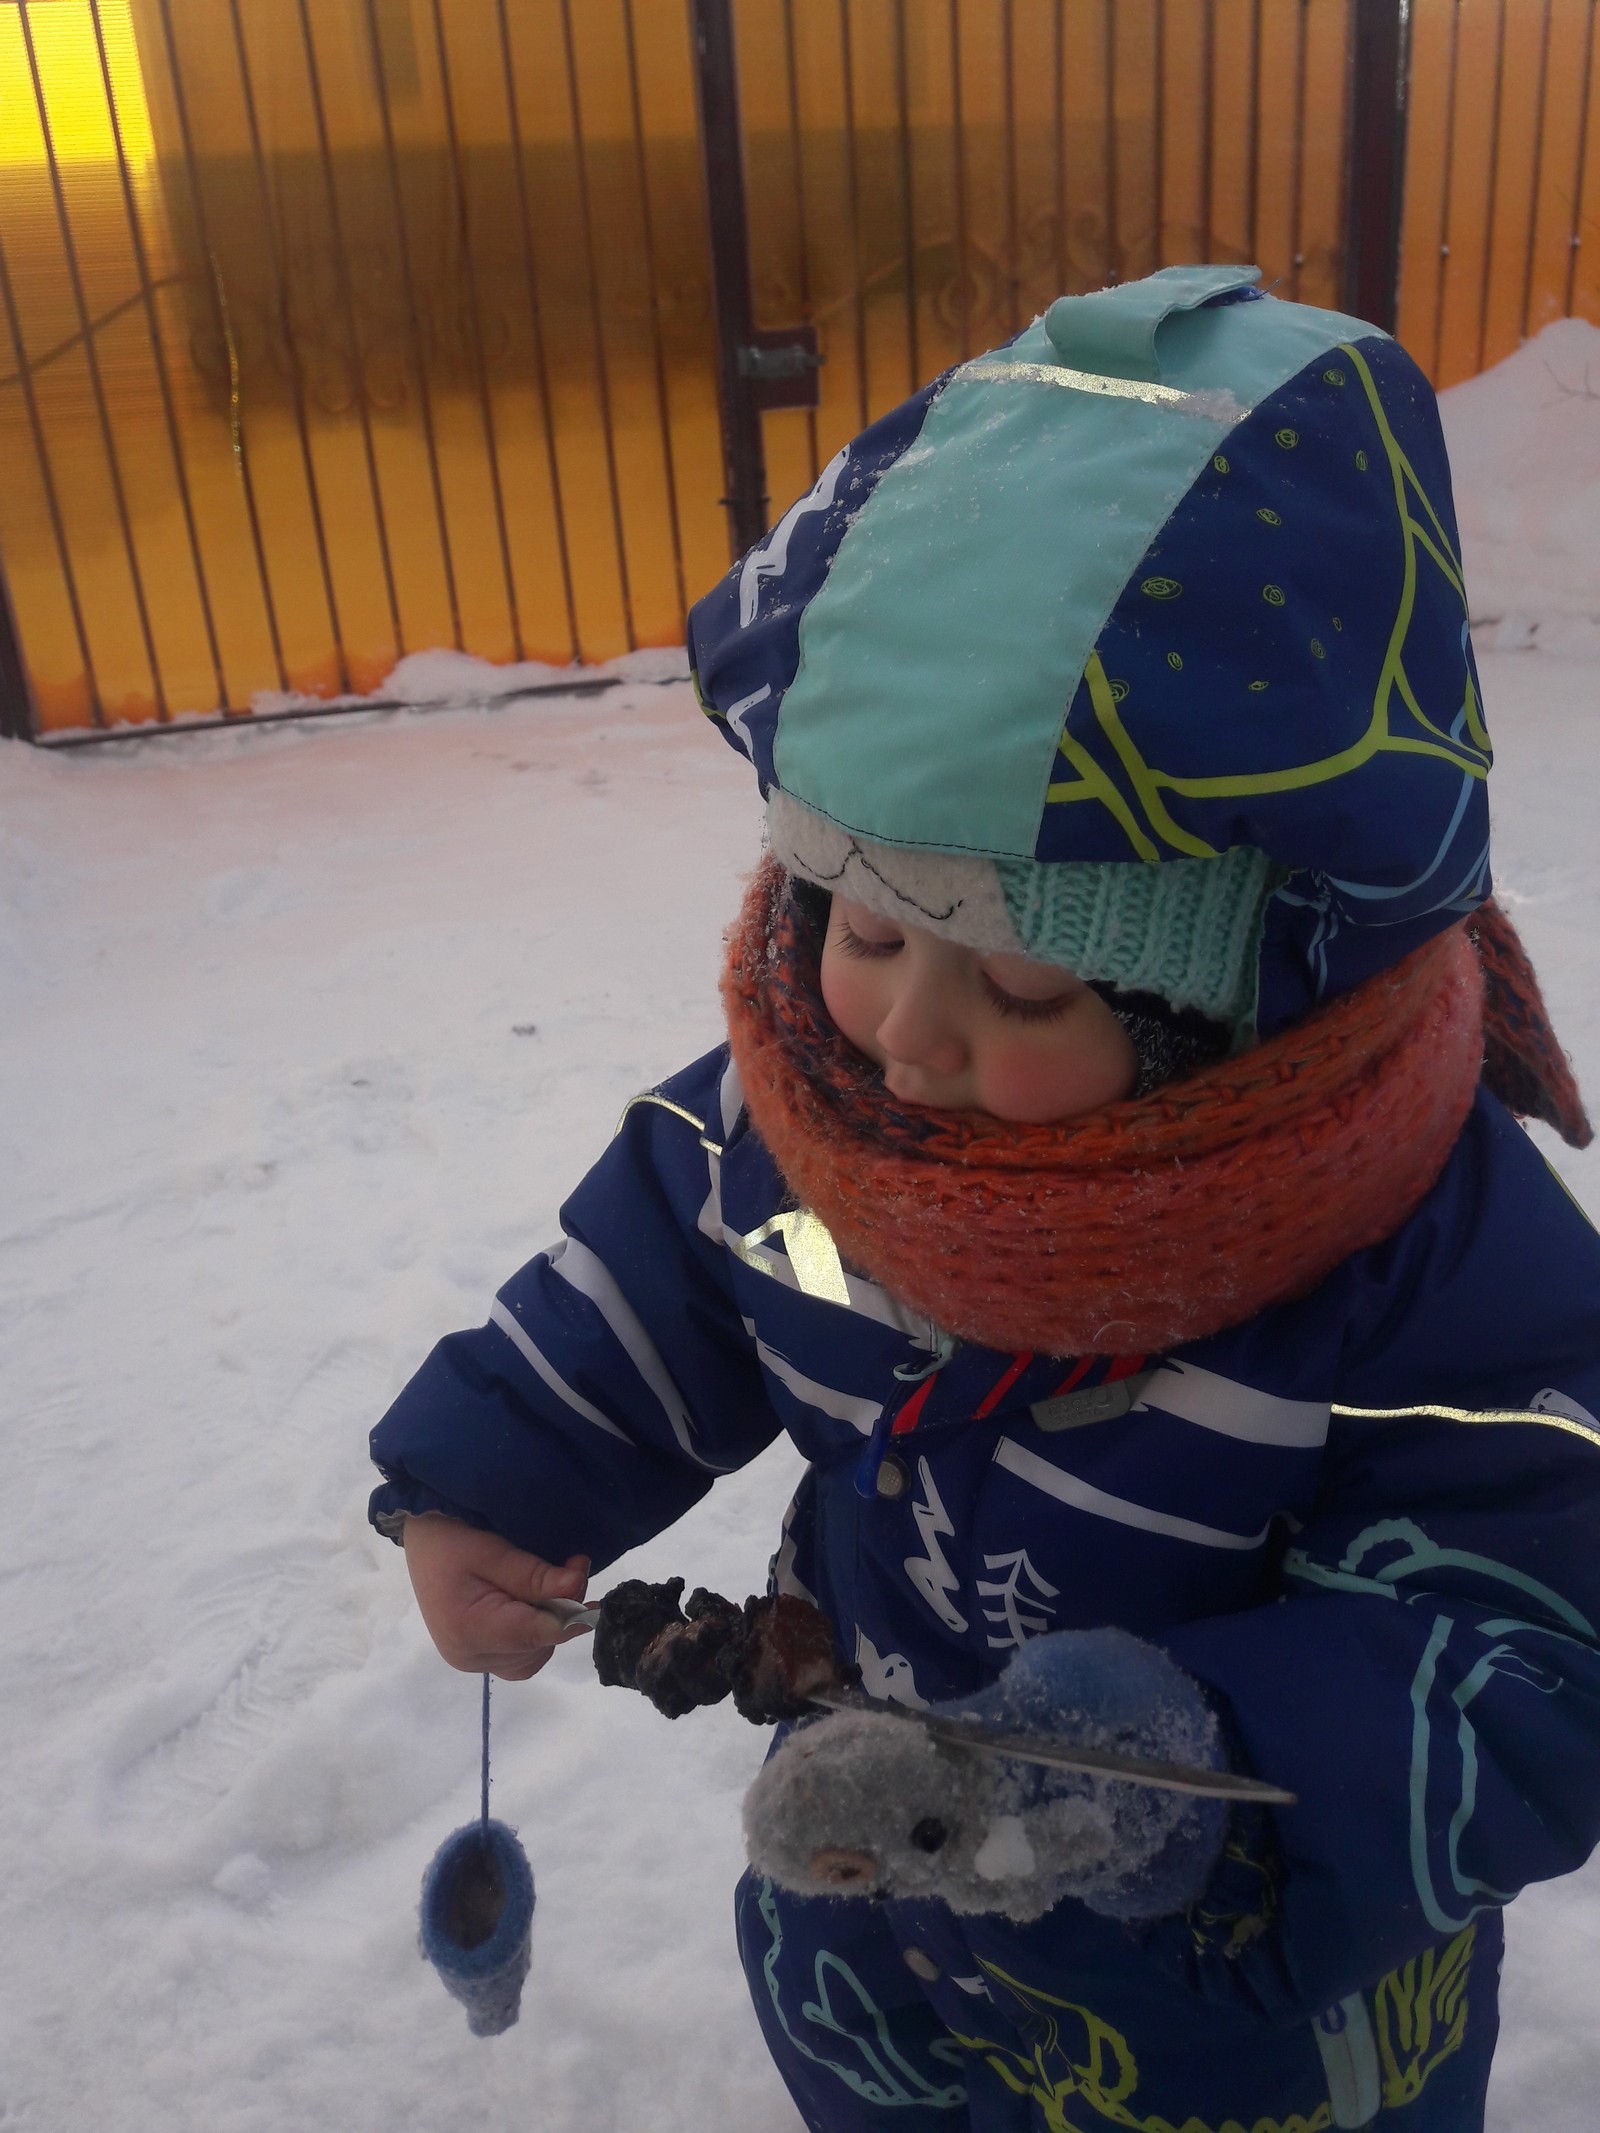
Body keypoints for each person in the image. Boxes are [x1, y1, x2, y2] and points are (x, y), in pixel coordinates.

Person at [370, 265, 1600, 2132]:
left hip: (1241, 2019)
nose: (908, 1041)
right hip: (879, 1939)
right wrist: (506, 1469)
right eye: (867, 927)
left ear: (1230, 1001)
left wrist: (1152, 1779)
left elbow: (1524, 1630)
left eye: (1026, 989)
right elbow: (722, 1257)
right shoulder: (819, 1139)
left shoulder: (1415, 1257)